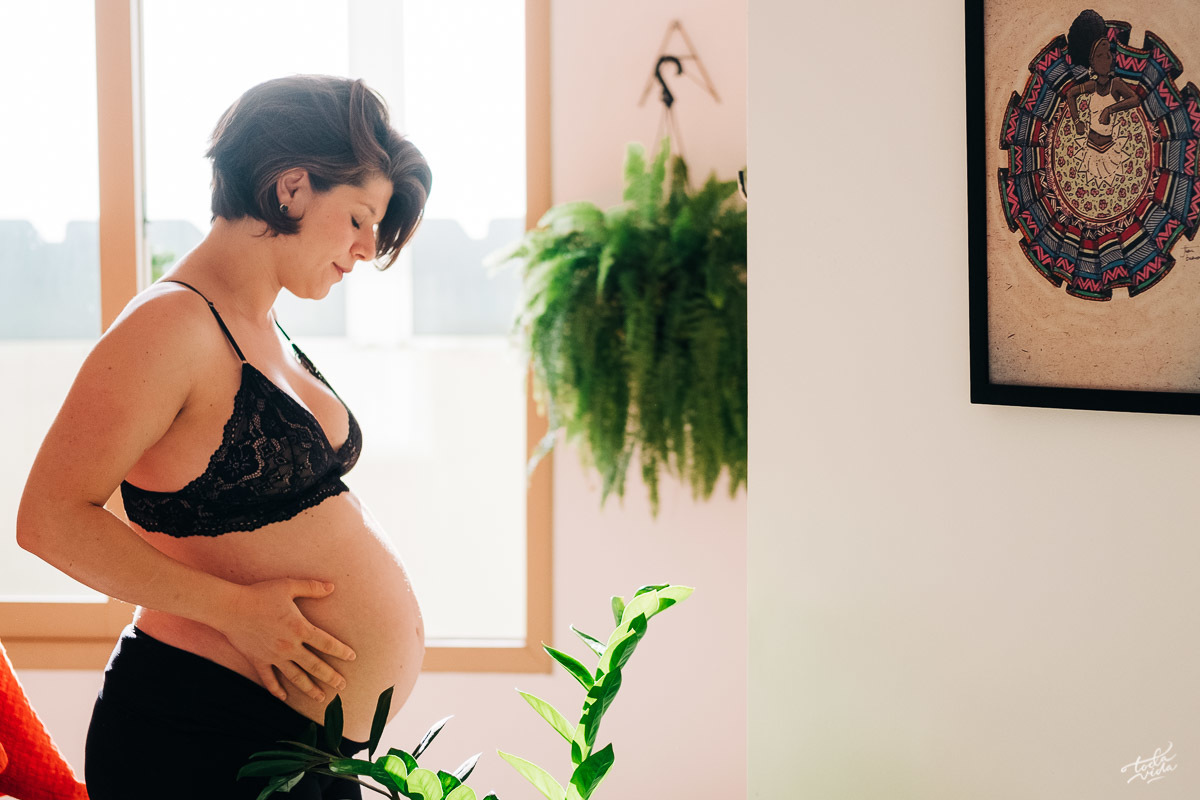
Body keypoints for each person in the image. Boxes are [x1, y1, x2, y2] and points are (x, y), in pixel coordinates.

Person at [16, 75, 432, 799]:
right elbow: (48, 520)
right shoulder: (170, 325)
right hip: (200, 734)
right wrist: (234, 610)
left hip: (301, 743)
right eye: (360, 217)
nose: (368, 249)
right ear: (293, 188)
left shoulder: (262, 326)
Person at [1063, 9, 1141, 181]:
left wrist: (1109, 109)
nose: (1107, 59)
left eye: (1109, 55)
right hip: (1089, 150)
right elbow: (1070, 94)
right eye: (1100, 56)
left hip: (1111, 152)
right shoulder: (1091, 86)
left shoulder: (1116, 85)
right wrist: (1077, 121)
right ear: (1091, 62)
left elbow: (1135, 99)